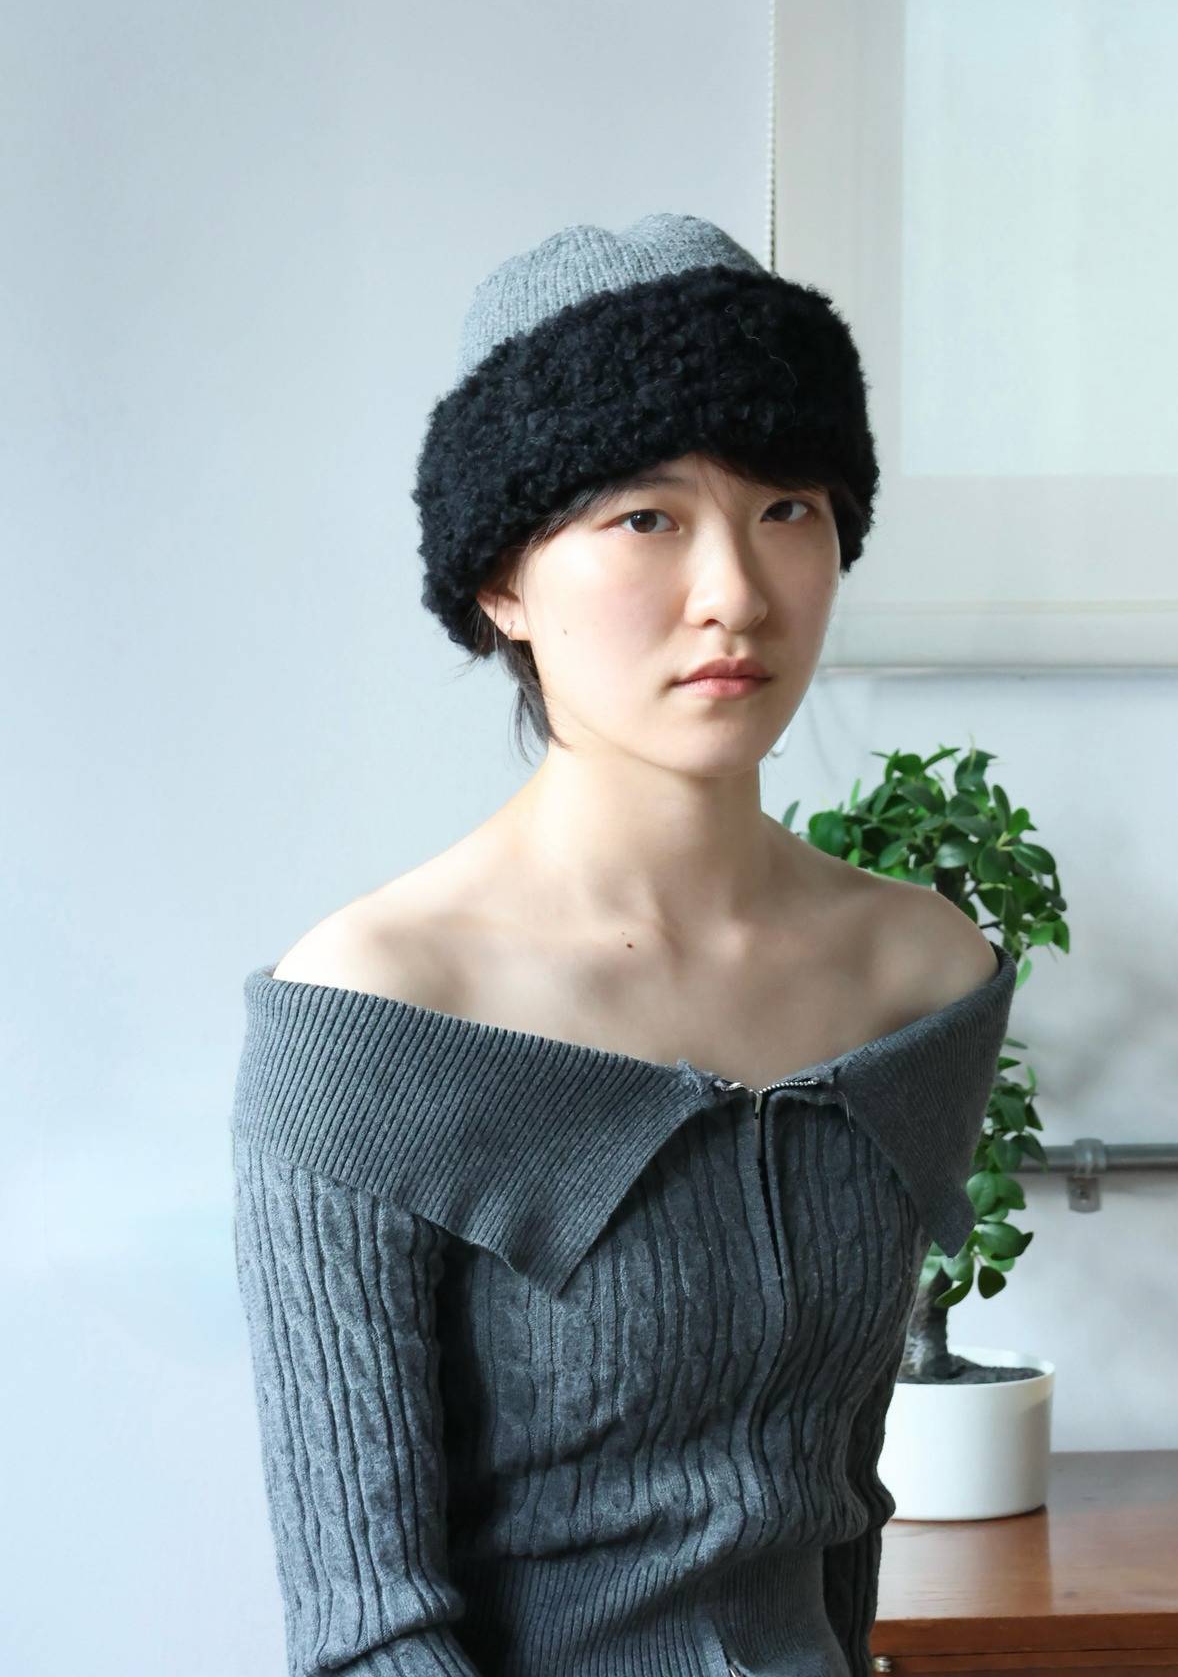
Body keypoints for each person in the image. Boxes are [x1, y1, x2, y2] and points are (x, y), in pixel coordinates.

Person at [229, 211, 1016, 1677]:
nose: (737, 592)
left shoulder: (920, 977)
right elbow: (367, 1631)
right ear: (502, 584)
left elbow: (844, 1511)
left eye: (788, 507)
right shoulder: (372, 1009)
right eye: (646, 518)